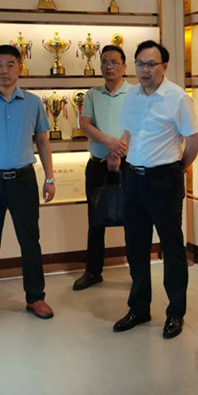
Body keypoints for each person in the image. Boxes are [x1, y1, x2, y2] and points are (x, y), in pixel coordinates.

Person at [113, 40, 198, 339]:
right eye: (140, 63)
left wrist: (176, 170)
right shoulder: (131, 95)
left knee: (172, 247)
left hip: (164, 179)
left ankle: (175, 312)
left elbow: (193, 143)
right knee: (135, 246)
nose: (145, 69)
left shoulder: (178, 98)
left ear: (164, 66)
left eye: (151, 64)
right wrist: (121, 154)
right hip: (133, 178)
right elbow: (128, 132)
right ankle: (139, 308)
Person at [0, 44, 56, 329]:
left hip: (24, 180)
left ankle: (35, 297)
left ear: (20, 68)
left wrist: (50, 178)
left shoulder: (32, 103)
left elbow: (42, 141)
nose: (4, 70)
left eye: (10, 64)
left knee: (30, 241)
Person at [73, 45, 129, 291]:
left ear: (124, 66)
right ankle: (93, 272)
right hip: (97, 166)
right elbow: (85, 125)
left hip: (128, 165)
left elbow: (137, 126)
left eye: (114, 62)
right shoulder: (92, 94)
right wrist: (108, 144)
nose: (109, 67)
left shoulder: (135, 93)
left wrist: (118, 152)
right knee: (95, 220)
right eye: (104, 62)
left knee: (133, 220)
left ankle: (138, 272)